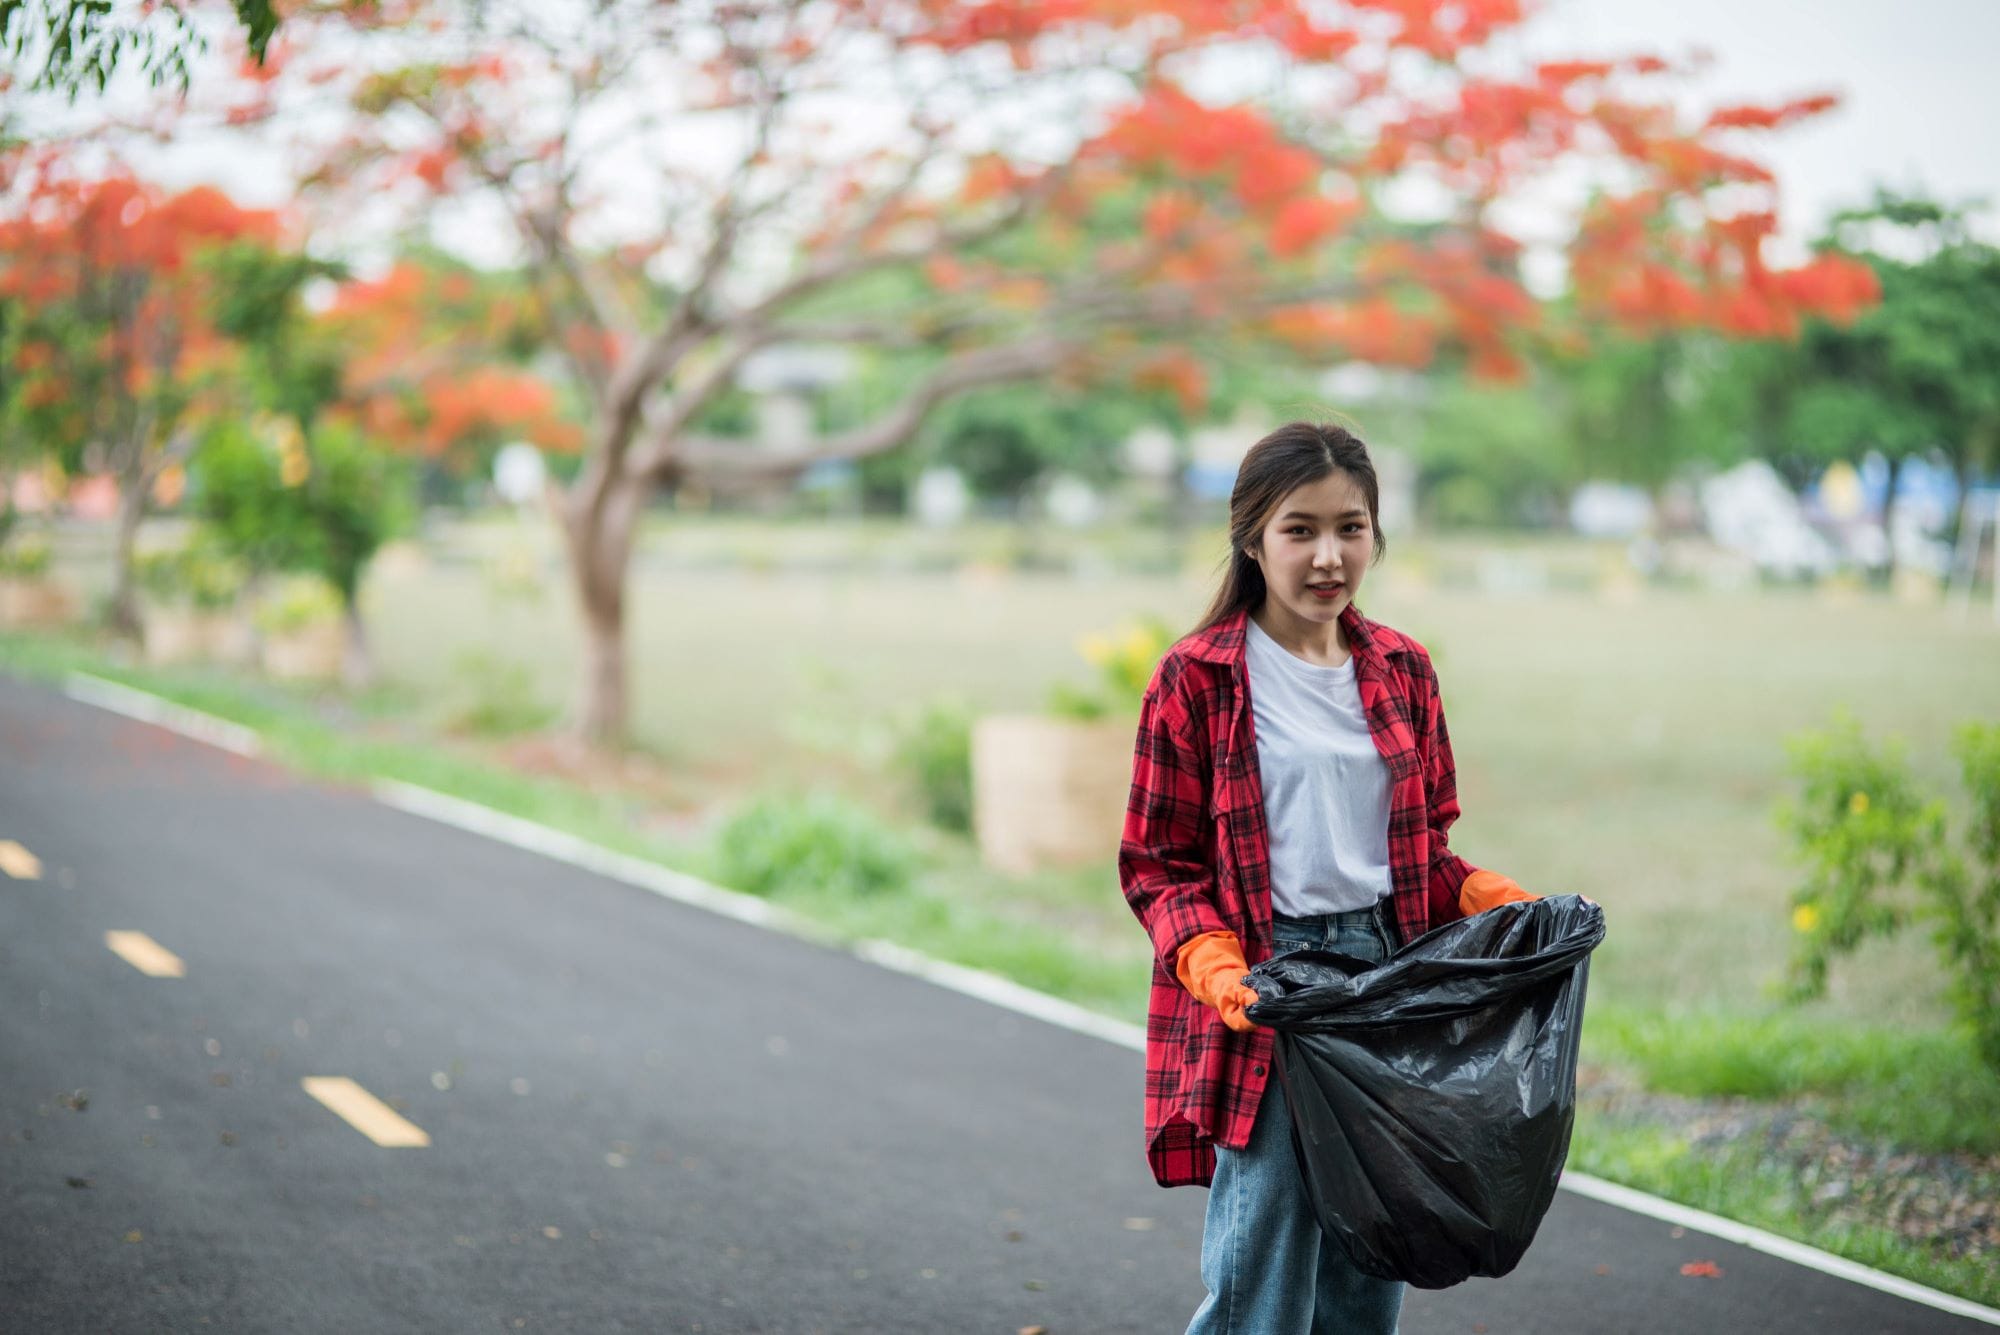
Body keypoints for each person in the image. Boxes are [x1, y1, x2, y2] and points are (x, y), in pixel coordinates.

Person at [1119, 421, 1543, 1334]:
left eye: (1350, 528)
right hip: (1268, 985)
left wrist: (1490, 900)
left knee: (1368, 1257)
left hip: (1387, 978)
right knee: (1262, 1270)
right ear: (1251, 538)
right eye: (1299, 529)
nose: (1328, 556)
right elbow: (1157, 864)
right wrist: (1215, 966)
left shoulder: (1402, 669)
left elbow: (1423, 849)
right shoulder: (1196, 679)